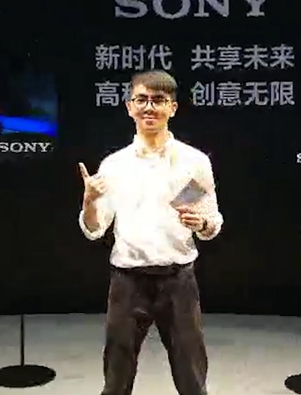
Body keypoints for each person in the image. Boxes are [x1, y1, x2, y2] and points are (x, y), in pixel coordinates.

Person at [78, 70, 223, 395]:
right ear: (129, 107)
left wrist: (201, 224)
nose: (149, 107)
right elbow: (94, 229)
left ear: (173, 108)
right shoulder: (114, 165)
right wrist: (89, 203)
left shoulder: (194, 161)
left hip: (179, 281)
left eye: (158, 100)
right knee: (116, 380)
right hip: (127, 282)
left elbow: (212, 222)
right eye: (141, 99)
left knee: (192, 378)